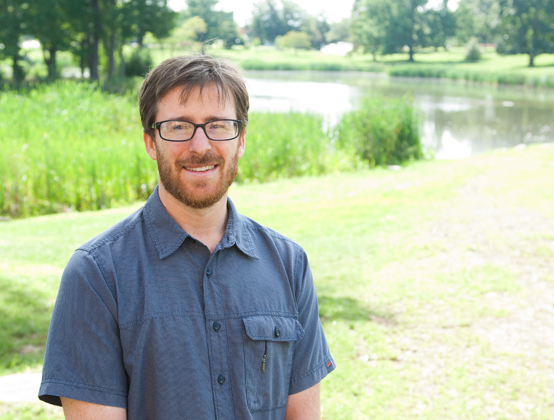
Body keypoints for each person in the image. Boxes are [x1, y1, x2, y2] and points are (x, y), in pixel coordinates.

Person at [38, 54, 335, 420]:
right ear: (150, 142)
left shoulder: (290, 264)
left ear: (240, 140)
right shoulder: (97, 275)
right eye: (178, 126)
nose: (200, 145)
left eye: (219, 125)